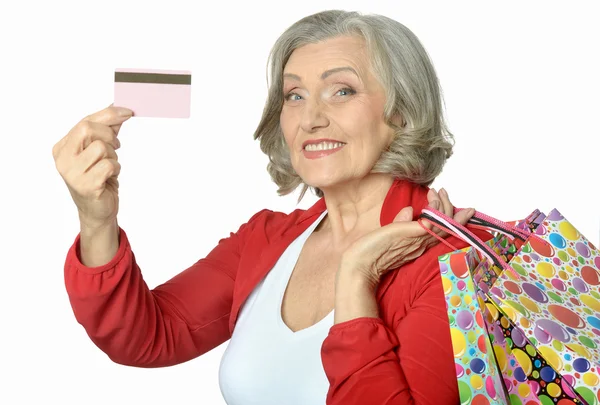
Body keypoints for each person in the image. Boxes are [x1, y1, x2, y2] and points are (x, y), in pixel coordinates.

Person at [53, 10, 492, 405]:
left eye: (342, 90)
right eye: (295, 95)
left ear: (401, 112)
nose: (310, 118)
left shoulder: (452, 260)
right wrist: (97, 219)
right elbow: (148, 336)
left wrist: (357, 279)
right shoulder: (265, 239)